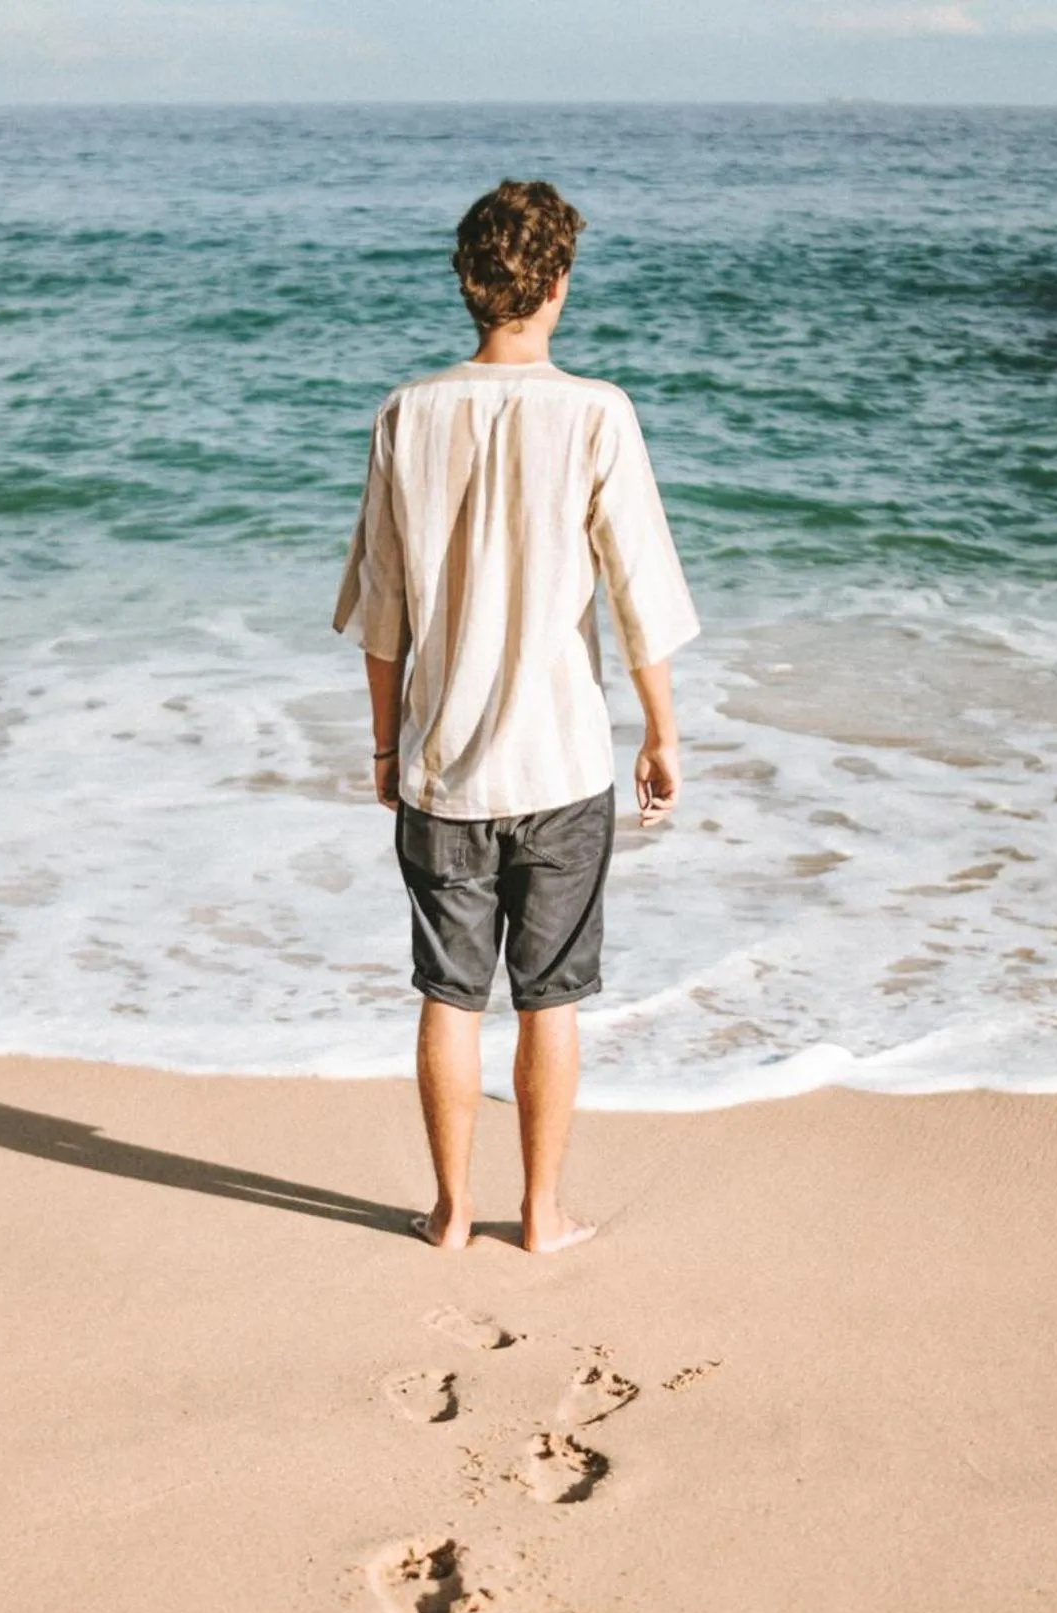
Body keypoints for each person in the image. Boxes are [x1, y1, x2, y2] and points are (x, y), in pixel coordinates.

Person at [332, 178, 700, 1254]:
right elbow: (642, 599)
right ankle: (540, 1213)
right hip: (561, 766)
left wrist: (388, 746)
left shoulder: (409, 413)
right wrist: (662, 733)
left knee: (449, 994)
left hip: (444, 767)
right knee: (551, 1000)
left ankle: (450, 1212)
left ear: (470, 283)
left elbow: (382, 615)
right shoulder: (598, 413)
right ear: (555, 285)